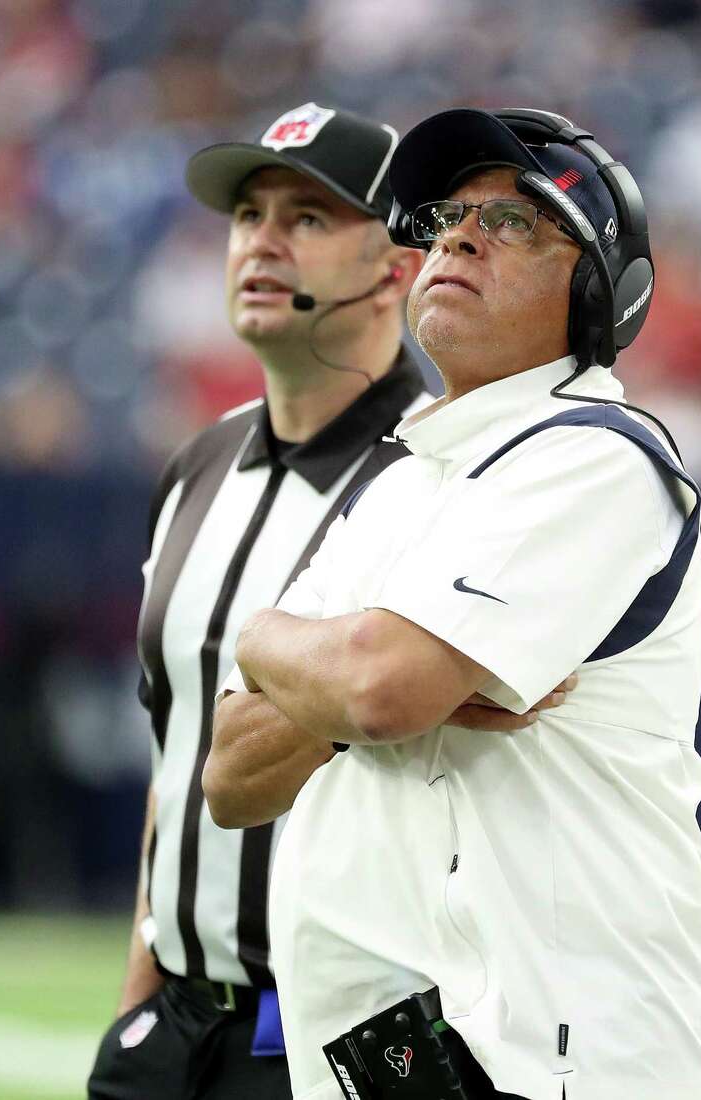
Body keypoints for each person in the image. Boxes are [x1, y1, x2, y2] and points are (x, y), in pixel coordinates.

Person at [208, 107, 701, 1100]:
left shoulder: (594, 459)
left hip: (573, 1055)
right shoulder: (395, 479)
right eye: (449, 217)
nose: (453, 235)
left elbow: (377, 687)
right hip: (400, 1061)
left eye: (514, 223)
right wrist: (276, 635)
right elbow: (233, 773)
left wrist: (343, 668)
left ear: (598, 290)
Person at [89, 102, 570, 1100]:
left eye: (308, 217)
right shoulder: (197, 465)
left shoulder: (453, 467)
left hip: (349, 1026)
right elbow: (178, 756)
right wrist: (143, 993)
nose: (262, 240)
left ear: (399, 264)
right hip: (176, 1021)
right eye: (247, 214)